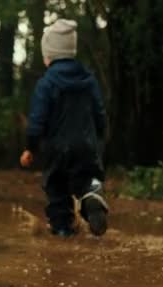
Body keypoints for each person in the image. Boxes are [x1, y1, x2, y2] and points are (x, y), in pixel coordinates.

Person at [20, 19, 109, 237]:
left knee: (57, 188)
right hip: (86, 145)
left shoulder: (46, 83)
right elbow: (99, 112)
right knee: (89, 177)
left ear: (49, 55)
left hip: (57, 149)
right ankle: (92, 194)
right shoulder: (88, 79)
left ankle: (62, 231)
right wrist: (99, 135)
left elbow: (37, 120)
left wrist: (30, 146)